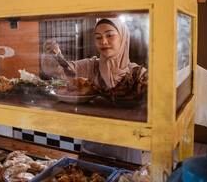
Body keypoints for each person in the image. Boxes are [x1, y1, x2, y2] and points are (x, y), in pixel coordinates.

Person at [41, 18, 147, 164]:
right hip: (92, 145)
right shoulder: (92, 66)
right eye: (98, 37)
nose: (103, 41)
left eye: (110, 35)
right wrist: (54, 54)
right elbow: (62, 70)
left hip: (125, 150)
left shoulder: (138, 74)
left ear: (123, 37)